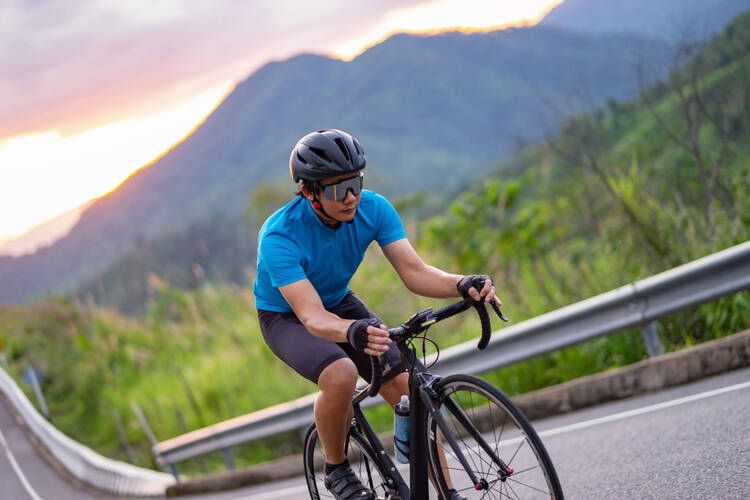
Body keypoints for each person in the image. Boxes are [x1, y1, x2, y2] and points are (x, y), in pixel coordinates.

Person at [254, 129, 501, 500]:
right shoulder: (280, 237)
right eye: (338, 190)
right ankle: (336, 468)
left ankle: (449, 493)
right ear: (309, 192)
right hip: (286, 317)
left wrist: (462, 282)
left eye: (355, 183)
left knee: (405, 387)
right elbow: (312, 317)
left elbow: (414, 272)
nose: (351, 197)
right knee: (340, 374)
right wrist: (352, 331)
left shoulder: (374, 208)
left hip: (340, 301)